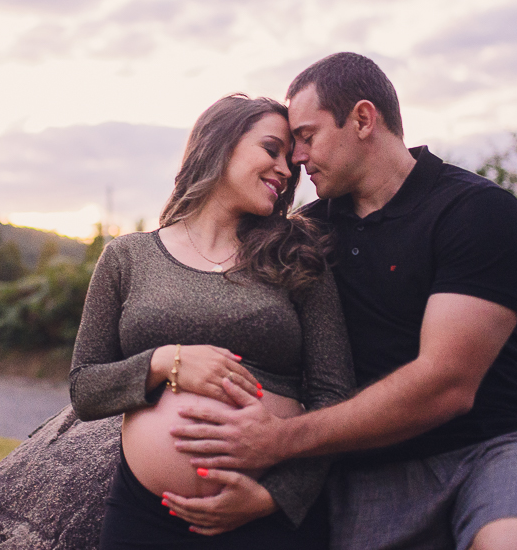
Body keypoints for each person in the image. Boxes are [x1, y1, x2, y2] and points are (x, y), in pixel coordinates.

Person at [170, 53, 517, 550]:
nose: (296, 159)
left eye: (307, 137)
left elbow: (448, 383)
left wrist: (279, 441)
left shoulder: (475, 210)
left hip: (489, 451)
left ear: (363, 119)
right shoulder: (307, 233)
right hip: (364, 469)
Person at [69, 94, 354, 549]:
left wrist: (273, 497)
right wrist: (165, 361)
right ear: (220, 144)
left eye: (290, 163)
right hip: (146, 518)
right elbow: (84, 389)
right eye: (271, 150)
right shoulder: (127, 258)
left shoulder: (297, 257)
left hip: (266, 521)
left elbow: (334, 398)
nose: (285, 169)